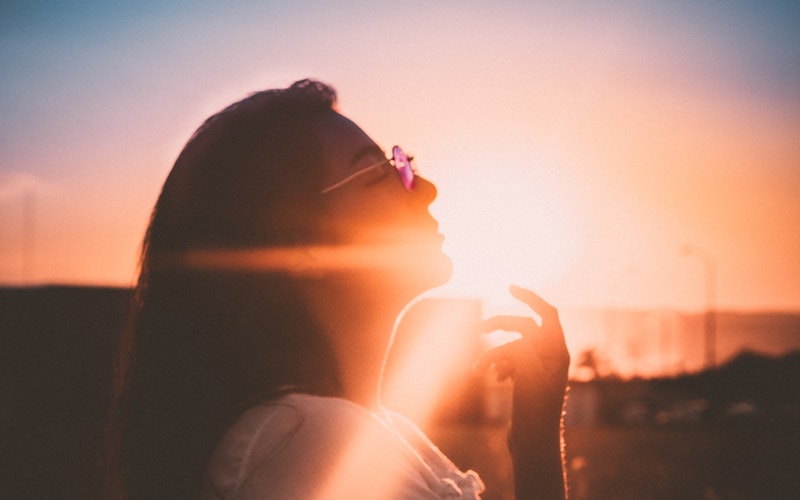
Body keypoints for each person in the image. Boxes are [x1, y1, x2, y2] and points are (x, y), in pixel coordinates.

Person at [108, 79, 570, 499]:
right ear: (303, 248)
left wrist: (536, 444)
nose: (424, 188)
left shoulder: (370, 432)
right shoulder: (304, 443)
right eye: (379, 174)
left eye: (403, 164)